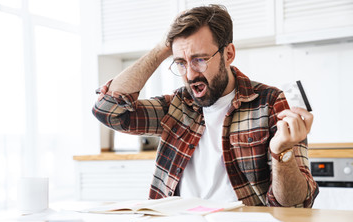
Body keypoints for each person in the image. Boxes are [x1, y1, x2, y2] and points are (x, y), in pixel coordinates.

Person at [93, 4, 319, 207]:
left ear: (228, 54)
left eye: (200, 60)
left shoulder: (270, 102)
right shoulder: (178, 106)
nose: (190, 75)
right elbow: (108, 111)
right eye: (181, 63)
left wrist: (282, 152)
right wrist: (163, 47)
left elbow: (295, 205)